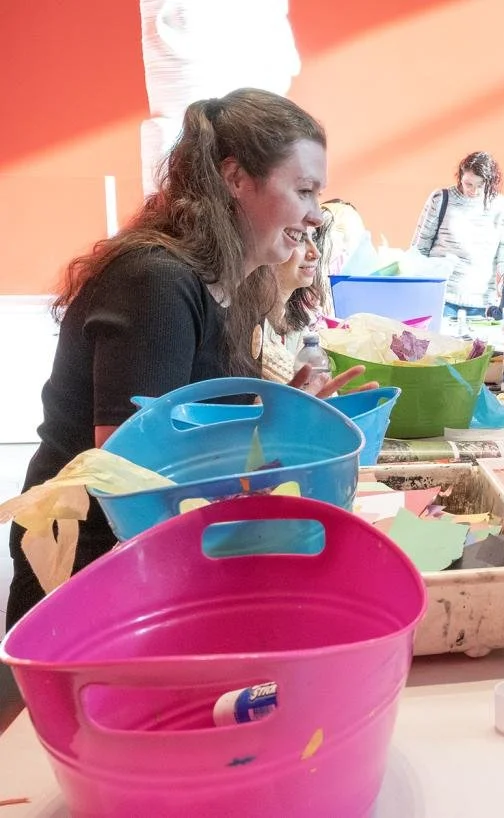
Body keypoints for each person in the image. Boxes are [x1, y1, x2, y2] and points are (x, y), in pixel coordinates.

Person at [6, 88, 366, 629]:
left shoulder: (230, 285)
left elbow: (197, 437)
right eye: (305, 191)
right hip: (95, 563)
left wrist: (283, 416)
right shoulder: (155, 282)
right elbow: (126, 474)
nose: (316, 216)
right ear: (236, 178)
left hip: (162, 547)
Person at [410, 151, 504, 318]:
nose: (473, 191)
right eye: (468, 184)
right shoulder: (441, 198)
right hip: (441, 296)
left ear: (491, 182)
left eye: (481, 185)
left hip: (482, 302)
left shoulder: (502, 207)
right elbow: (419, 246)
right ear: (460, 177)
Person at [259, 231, 330, 384]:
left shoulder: (298, 325)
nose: (316, 253)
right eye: (299, 238)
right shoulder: (250, 325)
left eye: (314, 238)